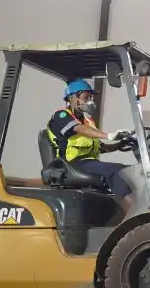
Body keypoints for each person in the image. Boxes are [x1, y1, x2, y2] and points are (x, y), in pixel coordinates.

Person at [47, 80, 134, 212]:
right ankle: (130, 210)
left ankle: (128, 206)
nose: (90, 101)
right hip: (71, 163)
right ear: (73, 98)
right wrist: (108, 135)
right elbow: (77, 128)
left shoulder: (88, 121)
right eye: (85, 97)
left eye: (90, 98)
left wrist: (119, 144)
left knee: (127, 170)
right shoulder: (61, 116)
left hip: (89, 162)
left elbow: (101, 147)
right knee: (114, 171)